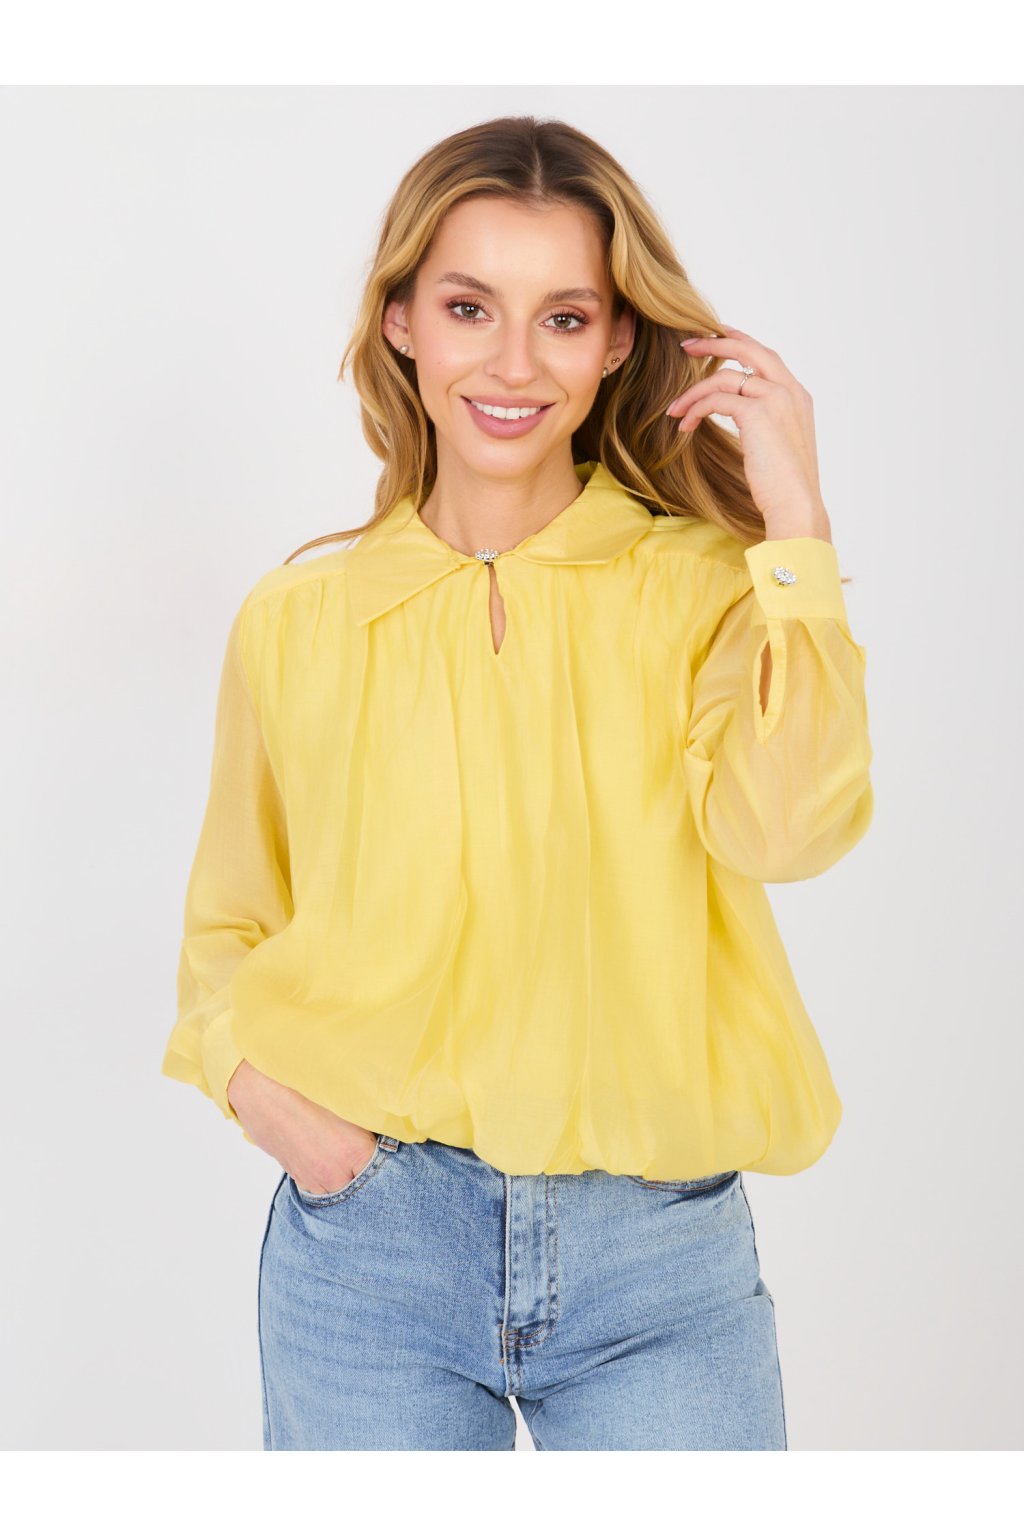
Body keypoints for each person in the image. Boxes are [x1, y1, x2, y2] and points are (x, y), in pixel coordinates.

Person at [161, 114, 874, 1451]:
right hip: (369, 1254)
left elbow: (788, 832)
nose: (512, 363)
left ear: (615, 342)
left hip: (658, 1261)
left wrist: (798, 528)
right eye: (469, 307)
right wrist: (269, 1100)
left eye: (563, 318)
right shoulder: (296, 620)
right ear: (401, 323)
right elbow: (230, 922)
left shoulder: (710, 590)